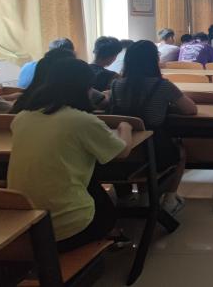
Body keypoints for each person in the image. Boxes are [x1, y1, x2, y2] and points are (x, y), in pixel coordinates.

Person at [8, 58, 135, 252]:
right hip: (65, 227)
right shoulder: (81, 120)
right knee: (103, 209)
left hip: (23, 223)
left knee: (77, 176)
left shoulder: (22, 117)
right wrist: (125, 127)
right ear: (84, 87)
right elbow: (122, 151)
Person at [109, 41, 197, 214]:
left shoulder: (116, 85)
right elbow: (190, 109)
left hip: (123, 147)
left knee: (140, 156)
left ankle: (140, 197)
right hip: (154, 147)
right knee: (180, 152)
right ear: (154, 60)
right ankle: (170, 199)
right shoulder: (162, 85)